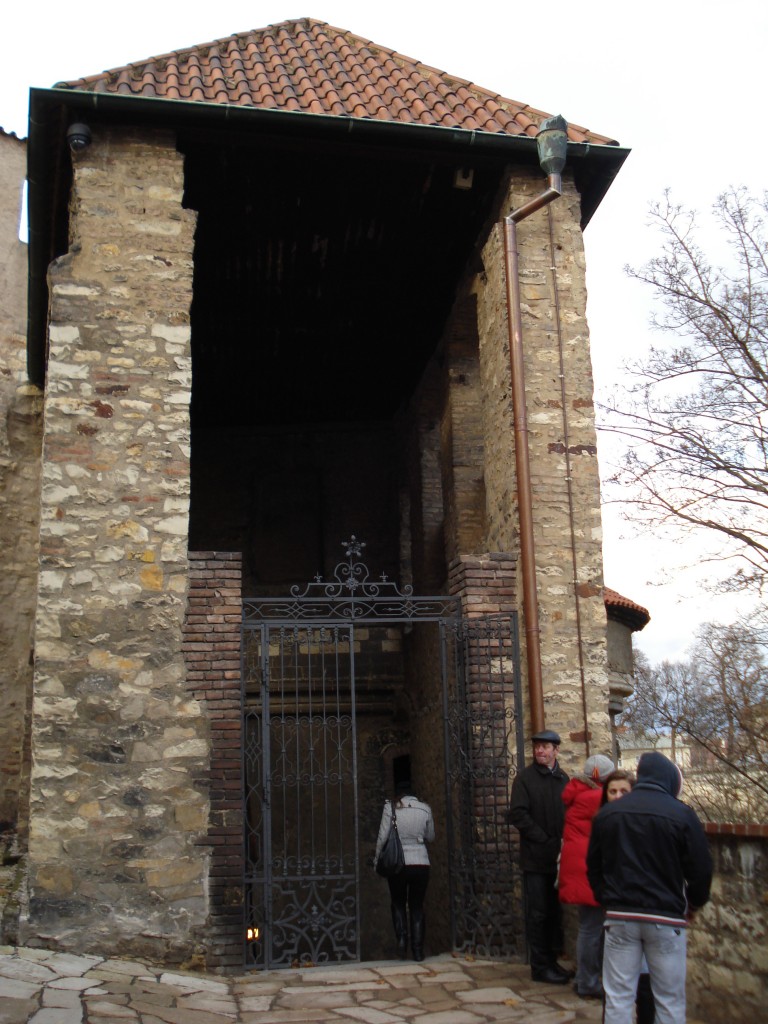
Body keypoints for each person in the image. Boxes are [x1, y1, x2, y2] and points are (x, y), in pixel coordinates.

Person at [587, 751, 713, 1024]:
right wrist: (693, 904)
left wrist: (606, 899)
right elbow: (701, 869)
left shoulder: (608, 814)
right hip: (665, 917)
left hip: (620, 914)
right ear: (669, 780)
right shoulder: (682, 814)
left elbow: (593, 865)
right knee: (669, 999)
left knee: (618, 997)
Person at [508, 729, 571, 984]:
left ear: (556, 750)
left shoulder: (563, 778)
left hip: (558, 859)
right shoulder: (525, 779)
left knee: (554, 912)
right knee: (538, 913)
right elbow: (518, 814)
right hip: (535, 858)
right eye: (537, 747)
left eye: (545, 747)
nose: (539, 751)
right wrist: (543, 839)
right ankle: (540, 966)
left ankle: (551, 961)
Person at [600, 769, 655, 1024]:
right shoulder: (603, 822)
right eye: (612, 791)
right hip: (617, 911)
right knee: (615, 983)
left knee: (646, 980)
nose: (618, 796)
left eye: (623, 791)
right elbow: (595, 866)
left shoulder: (646, 821)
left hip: (646, 909)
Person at [558, 753, 615, 999]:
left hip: (577, 865)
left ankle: (586, 978)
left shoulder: (577, 792)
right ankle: (588, 982)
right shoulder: (597, 798)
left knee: (589, 926)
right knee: (593, 928)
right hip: (590, 868)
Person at [374, 779, 434, 961]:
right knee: (417, 906)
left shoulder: (391, 808)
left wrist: (377, 860)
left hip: (398, 864)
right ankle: (418, 951)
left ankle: (401, 940)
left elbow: (382, 836)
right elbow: (431, 836)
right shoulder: (425, 809)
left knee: (398, 902)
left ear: (398, 793)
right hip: (421, 863)